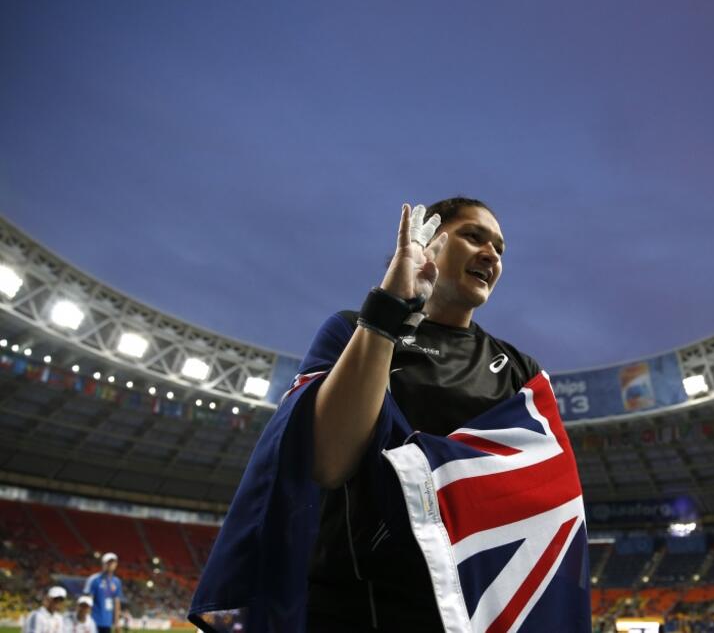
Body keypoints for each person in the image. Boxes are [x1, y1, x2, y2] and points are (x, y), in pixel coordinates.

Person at [189, 199, 590, 632]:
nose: (492, 254)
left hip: (466, 612)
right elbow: (329, 459)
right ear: (429, 242)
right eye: (474, 236)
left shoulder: (520, 372)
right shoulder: (351, 330)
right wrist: (389, 309)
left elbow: (549, 505)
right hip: (345, 608)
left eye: (500, 248)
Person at [84, 553, 122, 633]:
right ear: (103, 564)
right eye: (108, 562)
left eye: (113, 562)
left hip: (107, 622)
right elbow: (87, 600)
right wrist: (86, 620)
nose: (110, 565)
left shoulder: (117, 582)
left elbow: (117, 602)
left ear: (116, 564)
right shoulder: (94, 579)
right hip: (93, 621)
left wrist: (116, 622)